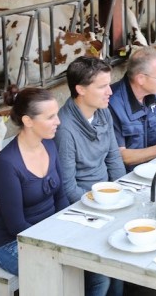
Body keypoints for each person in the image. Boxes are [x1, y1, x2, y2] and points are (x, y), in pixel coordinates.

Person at [54, 56, 125, 296]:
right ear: (80, 89)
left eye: (109, 84)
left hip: (108, 198)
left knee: (119, 270)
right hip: (83, 206)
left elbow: (114, 158)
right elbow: (67, 186)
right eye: (103, 86)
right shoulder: (64, 128)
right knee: (102, 278)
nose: (110, 92)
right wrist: (102, 205)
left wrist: (122, 192)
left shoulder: (102, 110)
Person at [0, 85, 67, 276]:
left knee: (94, 269)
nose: (58, 121)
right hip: (14, 243)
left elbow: (61, 197)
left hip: (49, 232)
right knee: (62, 273)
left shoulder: (49, 144)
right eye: (50, 117)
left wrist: (67, 232)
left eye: (56, 114)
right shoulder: (7, 164)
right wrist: (56, 244)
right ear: (28, 121)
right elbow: (16, 225)